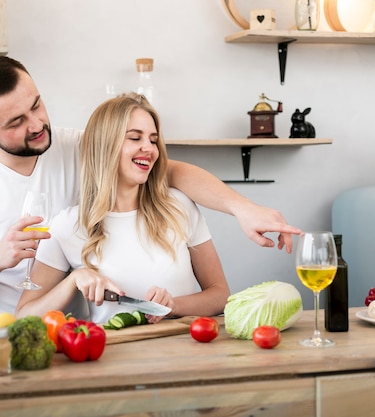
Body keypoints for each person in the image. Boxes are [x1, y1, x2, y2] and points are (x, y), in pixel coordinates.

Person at [0, 55, 300, 321]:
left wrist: (242, 208)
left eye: (37, 105)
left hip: (87, 336)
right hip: (13, 336)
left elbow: (166, 169)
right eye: (16, 121)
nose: (37, 125)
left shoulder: (72, 144)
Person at [15, 93, 230, 323]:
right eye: (135, 138)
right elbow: (24, 315)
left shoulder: (179, 205)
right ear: (105, 146)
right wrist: (73, 280)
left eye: (153, 140)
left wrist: (174, 305)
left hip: (184, 350)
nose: (149, 148)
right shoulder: (69, 225)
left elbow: (220, 294)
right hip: (112, 355)